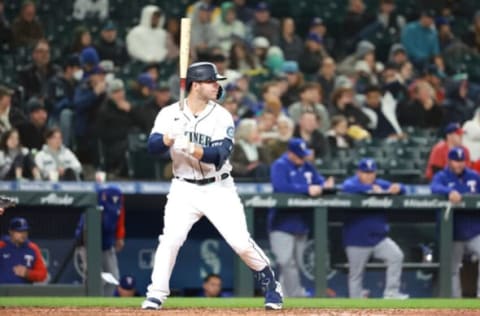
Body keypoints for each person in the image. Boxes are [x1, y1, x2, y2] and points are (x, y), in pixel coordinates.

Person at [142, 62, 283, 310]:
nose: (217, 85)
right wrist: (168, 137)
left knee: (240, 242)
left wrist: (191, 147)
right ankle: (156, 294)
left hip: (218, 188)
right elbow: (152, 148)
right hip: (183, 188)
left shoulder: (221, 115)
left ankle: (271, 284)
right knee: (170, 240)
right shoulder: (169, 113)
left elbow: (220, 155)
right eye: (211, 82)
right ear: (196, 85)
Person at [269, 138, 334, 297]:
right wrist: (307, 188)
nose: (302, 158)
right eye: (299, 155)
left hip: (301, 222)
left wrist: (325, 185)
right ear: (290, 153)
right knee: (285, 262)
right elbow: (281, 187)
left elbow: (319, 183)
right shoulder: (280, 165)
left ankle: (285, 295)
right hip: (281, 222)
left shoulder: (307, 166)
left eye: (303, 155)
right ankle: (296, 296)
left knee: (296, 264)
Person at [341, 158, 408, 299]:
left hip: (379, 239)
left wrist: (397, 188)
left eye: (372, 173)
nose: (369, 176)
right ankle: (355, 305)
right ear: (359, 173)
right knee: (356, 275)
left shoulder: (379, 184)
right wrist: (372, 190)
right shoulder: (352, 184)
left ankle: (391, 293)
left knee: (396, 256)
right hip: (356, 239)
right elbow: (346, 187)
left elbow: (403, 188)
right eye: (365, 173)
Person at [430, 147, 480, 297]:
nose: (459, 164)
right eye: (455, 161)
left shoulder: (474, 176)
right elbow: (434, 187)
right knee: (452, 269)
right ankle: (455, 304)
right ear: (449, 161)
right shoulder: (442, 176)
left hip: (473, 231)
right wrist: (449, 192)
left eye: (461, 161)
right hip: (452, 233)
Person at [75, 185, 125, 296]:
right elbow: (84, 231)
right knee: (94, 278)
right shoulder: (94, 203)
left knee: (114, 278)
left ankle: (105, 303)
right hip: (88, 247)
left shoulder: (117, 206)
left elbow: (119, 219)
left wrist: (119, 236)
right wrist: (86, 250)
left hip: (106, 246)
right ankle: (90, 305)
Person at [0, 217, 47, 284]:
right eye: (19, 231)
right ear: (11, 232)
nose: (23, 234)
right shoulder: (2, 246)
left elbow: (43, 274)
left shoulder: (33, 248)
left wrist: (28, 273)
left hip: (23, 292)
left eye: (25, 231)